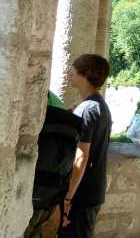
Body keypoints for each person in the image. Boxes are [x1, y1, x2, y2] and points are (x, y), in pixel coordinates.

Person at [53, 54, 112, 238]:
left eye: (75, 70)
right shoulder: (100, 105)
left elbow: (80, 157)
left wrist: (67, 199)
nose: (71, 73)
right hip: (93, 190)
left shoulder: (86, 111)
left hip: (82, 194)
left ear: (86, 74)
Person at [23, 91, 84, 238]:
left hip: (30, 189)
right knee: (34, 232)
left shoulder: (29, 97)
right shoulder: (57, 102)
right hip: (51, 192)